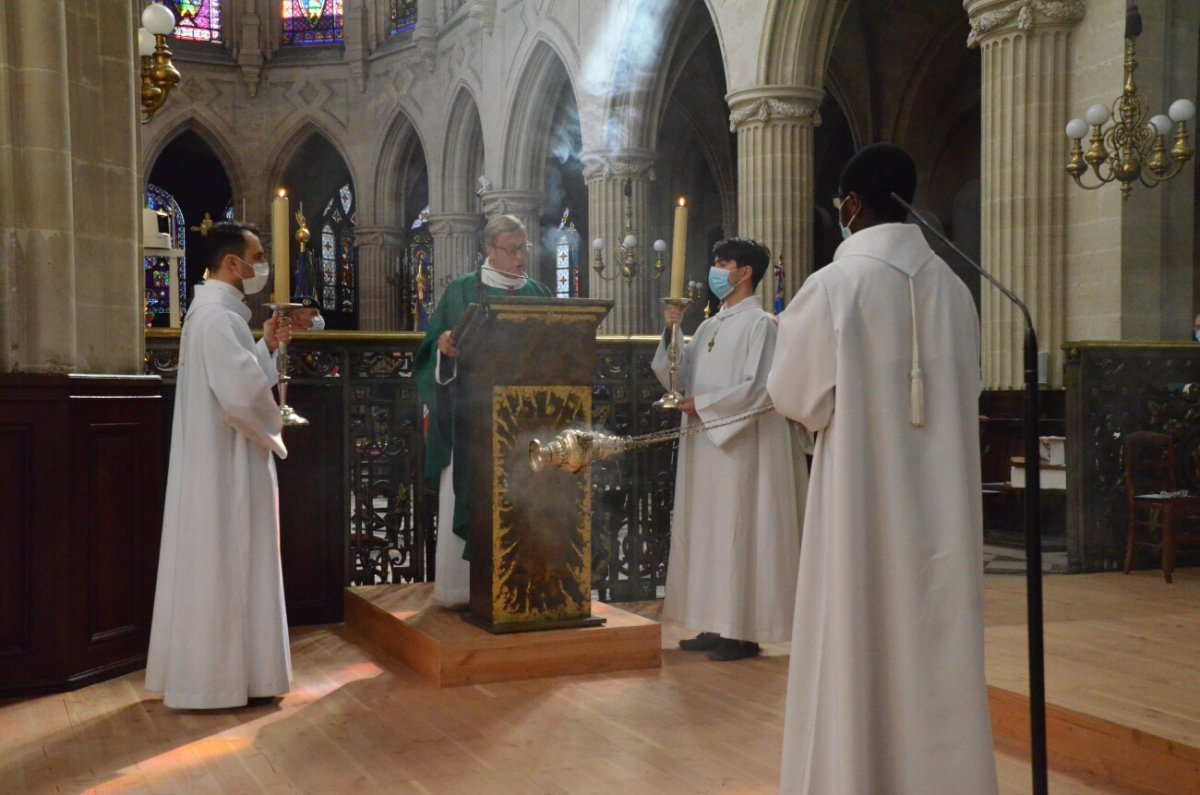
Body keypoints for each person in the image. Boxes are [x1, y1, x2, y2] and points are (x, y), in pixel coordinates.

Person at [767, 144, 998, 793]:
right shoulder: (956, 292)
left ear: (851, 205)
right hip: (942, 517)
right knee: (937, 651)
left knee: (856, 642)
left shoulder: (835, 287)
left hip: (861, 511)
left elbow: (792, 395)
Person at [146, 221, 297, 710]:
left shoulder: (214, 312)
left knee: (219, 559)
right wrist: (276, 424)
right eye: (257, 258)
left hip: (219, 455)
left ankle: (224, 676)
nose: (261, 269)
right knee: (229, 557)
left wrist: (266, 349)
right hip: (226, 462)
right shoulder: (217, 317)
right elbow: (238, 396)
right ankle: (219, 681)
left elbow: (235, 376)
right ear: (232, 263)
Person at [653, 238, 809, 662]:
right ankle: (711, 620)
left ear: (745, 273)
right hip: (706, 444)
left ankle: (743, 631)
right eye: (716, 262)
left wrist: (701, 406)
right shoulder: (708, 326)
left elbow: (760, 390)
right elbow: (675, 377)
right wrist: (673, 330)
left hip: (742, 448)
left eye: (724, 263)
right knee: (707, 533)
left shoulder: (762, 325)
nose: (716, 270)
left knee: (740, 530)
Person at [414, 214, 553, 606]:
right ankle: (462, 590)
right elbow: (428, 352)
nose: (520, 258)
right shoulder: (461, 291)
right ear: (489, 249)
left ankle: (519, 583)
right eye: (511, 250)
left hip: (525, 421)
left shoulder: (539, 292)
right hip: (470, 418)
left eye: (523, 248)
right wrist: (444, 350)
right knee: (471, 495)